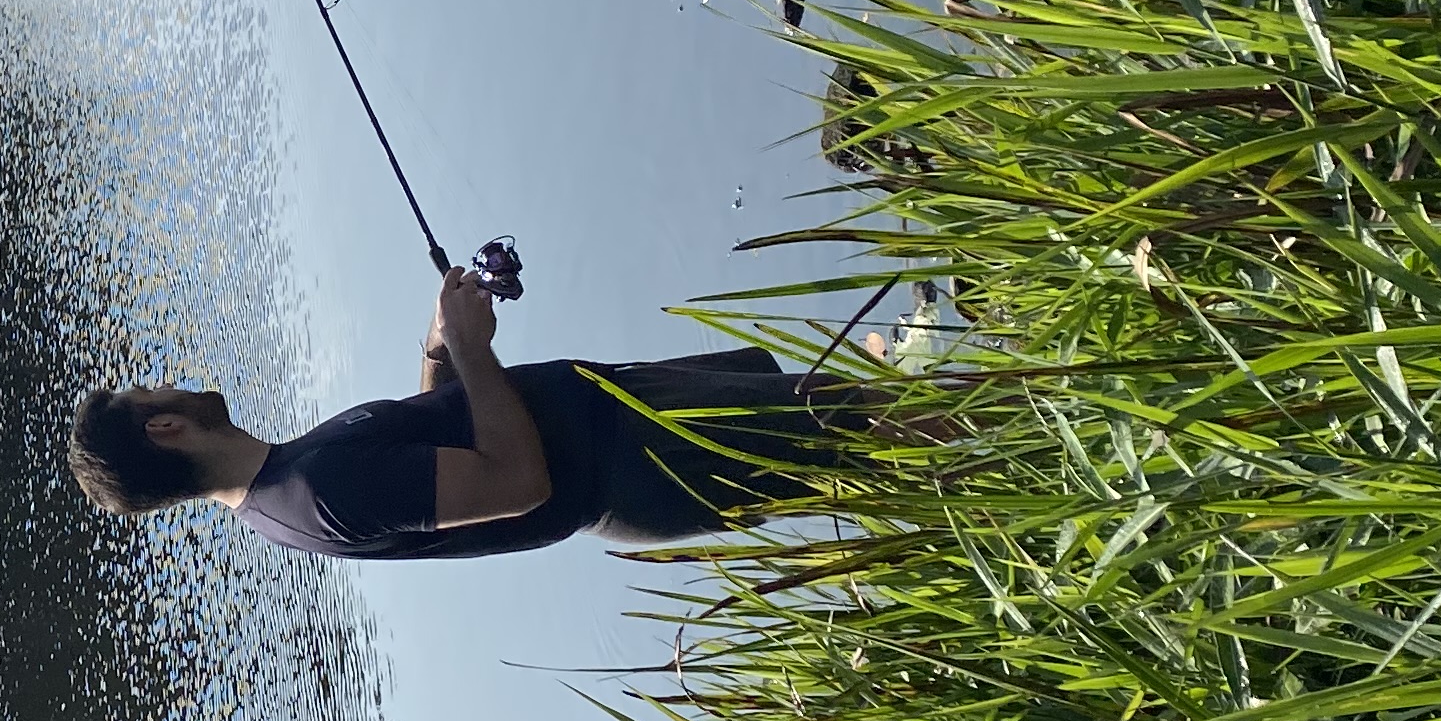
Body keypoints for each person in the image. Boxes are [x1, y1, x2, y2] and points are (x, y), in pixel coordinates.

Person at [65, 264, 851, 559]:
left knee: (859, 423)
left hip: (630, 420)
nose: (169, 383)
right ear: (163, 428)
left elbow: (431, 433)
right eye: (152, 390)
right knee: (884, 428)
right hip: (641, 458)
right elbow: (516, 484)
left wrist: (442, 346)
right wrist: (477, 353)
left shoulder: (288, 484)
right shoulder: (316, 495)